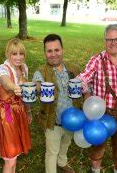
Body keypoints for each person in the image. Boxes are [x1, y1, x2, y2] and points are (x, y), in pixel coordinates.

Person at [76, 24, 117, 173]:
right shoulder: (97, 59)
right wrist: (78, 83)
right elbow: (85, 76)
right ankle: (95, 170)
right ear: (105, 41)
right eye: (109, 39)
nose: (113, 43)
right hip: (101, 113)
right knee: (98, 145)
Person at [33, 34, 82, 173]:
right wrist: (36, 88)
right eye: (49, 51)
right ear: (45, 53)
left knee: (66, 143)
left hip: (72, 120)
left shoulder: (74, 68)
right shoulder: (41, 71)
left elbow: (84, 87)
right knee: (51, 152)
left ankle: (62, 162)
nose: (53, 54)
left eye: (57, 50)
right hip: (52, 121)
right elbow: (37, 83)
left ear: (63, 50)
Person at [0, 38, 32, 173]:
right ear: (8, 53)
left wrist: (28, 111)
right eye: (14, 54)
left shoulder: (24, 68)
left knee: (15, 156)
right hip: (6, 116)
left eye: (21, 54)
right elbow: (5, 81)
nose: (18, 57)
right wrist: (14, 87)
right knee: (10, 158)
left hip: (19, 113)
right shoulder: (2, 68)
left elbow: (26, 94)